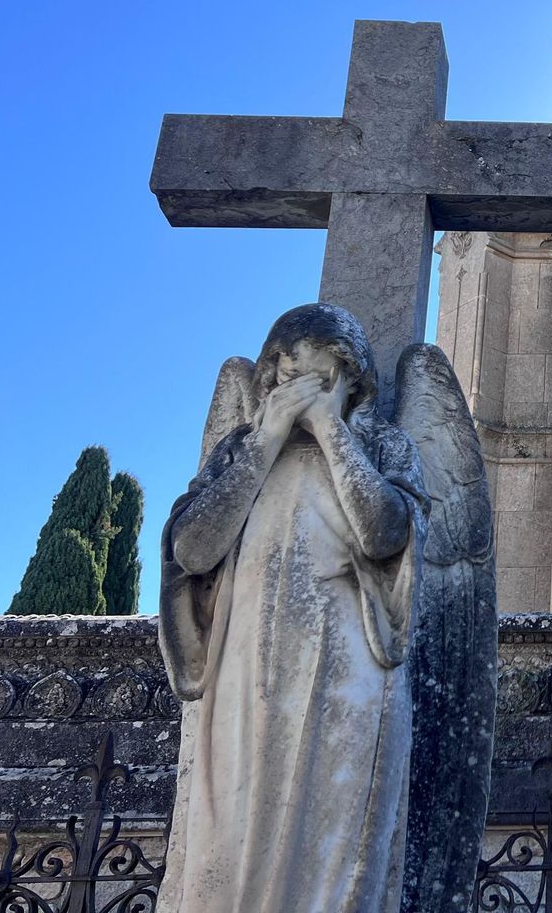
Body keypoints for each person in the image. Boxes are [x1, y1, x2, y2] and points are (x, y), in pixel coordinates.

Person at [158, 304, 427, 913]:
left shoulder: (382, 445)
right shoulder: (241, 451)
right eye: (279, 369)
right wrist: (266, 441)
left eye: (308, 368)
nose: (289, 379)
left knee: (338, 829)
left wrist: (333, 433)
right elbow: (193, 550)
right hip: (243, 660)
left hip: (348, 664)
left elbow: (386, 535)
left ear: (350, 377)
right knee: (228, 836)